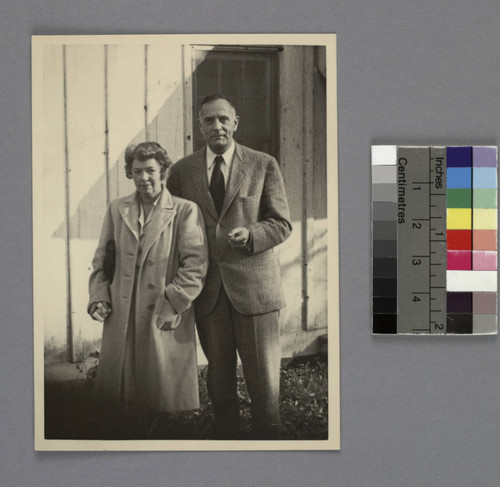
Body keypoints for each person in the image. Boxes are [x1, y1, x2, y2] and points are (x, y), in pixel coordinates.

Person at [167, 94, 292, 439]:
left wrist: (252, 234)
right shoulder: (181, 172)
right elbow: (173, 229)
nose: (217, 126)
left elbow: (281, 223)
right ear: (199, 125)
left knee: (263, 382)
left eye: (223, 119)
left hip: (255, 291)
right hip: (208, 292)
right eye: (209, 120)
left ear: (236, 122)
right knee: (219, 380)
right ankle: (226, 444)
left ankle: (271, 442)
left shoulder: (263, 164)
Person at [88, 141, 208, 430]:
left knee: (162, 397)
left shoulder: (184, 211)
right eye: (137, 171)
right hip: (123, 309)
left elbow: (195, 265)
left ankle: (167, 436)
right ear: (130, 173)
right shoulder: (118, 209)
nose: (144, 178)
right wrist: (99, 297)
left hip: (161, 311)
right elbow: (103, 261)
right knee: (124, 401)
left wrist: (174, 303)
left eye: (151, 170)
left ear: (164, 172)